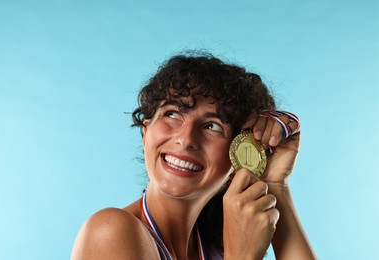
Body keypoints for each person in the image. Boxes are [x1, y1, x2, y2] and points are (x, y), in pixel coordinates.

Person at [71, 52, 316, 259]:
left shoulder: (215, 245)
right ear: (145, 133)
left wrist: (275, 185)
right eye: (172, 114)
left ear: (239, 156)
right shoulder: (111, 231)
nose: (186, 139)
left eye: (212, 127)